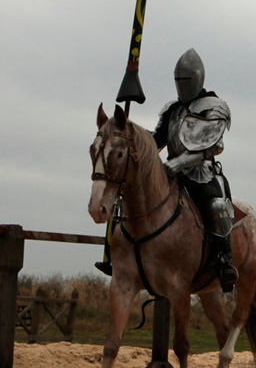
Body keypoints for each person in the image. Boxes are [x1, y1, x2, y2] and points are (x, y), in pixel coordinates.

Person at [96, 49, 239, 292]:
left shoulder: (214, 107)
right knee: (130, 197)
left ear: (197, 79)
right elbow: (157, 141)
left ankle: (224, 260)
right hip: (169, 172)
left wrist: (181, 162)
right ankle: (119, 256)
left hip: (201, 172)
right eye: (178, 80)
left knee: (215, 207)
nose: (182, 85)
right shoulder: (172, 109)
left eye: (186, 80)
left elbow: (215, 145)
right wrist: (132, 136)